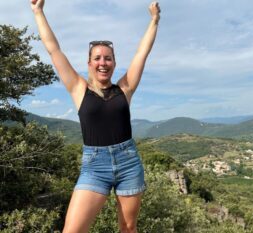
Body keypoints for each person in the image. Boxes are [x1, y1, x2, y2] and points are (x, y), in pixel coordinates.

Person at [30, 0, 160, 232]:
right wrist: (38, 11)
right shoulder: (78, 88)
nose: (103, 62)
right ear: (89, 63)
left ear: (114, 63)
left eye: (108, 58)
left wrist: (154, 21)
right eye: (98, 58)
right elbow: (54, 49)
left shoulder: (125, 88)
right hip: (94, 167)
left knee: (128, 228)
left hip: (128, 162)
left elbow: (142, 52)